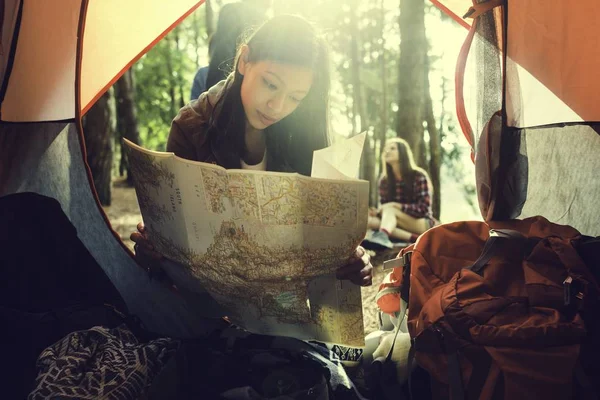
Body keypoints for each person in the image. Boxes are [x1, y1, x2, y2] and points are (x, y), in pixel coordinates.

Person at [131, 15, 372, 287]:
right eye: (270, 84)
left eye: (295, 97)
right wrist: (154, 249)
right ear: (245, 59)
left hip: (280, 304)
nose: (277, 106)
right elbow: (174, 241)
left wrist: (353, 260)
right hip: (204, 304)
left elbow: (321, 238)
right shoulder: (191, 127)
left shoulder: (303, 134)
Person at [364, 138, 435, 249]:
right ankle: (412, 238)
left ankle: (383, 235)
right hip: (394, 222)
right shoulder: (384, 180)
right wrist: (378, 212)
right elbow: (386, 211)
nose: (387, 151)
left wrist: (396, 206)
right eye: (386, 149)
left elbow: (424, 209)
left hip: (421, 222)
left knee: (389, 210)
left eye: (392, 148)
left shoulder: (418, 175)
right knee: (369, 220)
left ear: (403, 153)